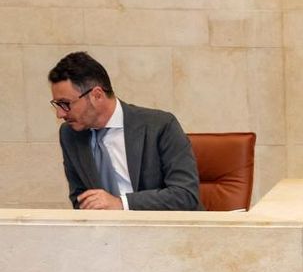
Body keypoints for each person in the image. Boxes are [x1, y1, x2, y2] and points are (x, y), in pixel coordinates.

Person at [48, 52, 201, 211]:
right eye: (57, 105)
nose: (60, 114)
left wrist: (122, 204)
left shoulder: (160, 126)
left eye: (65, 104)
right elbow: (80, 197)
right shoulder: (70, 134)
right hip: (106, 226)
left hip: (164, 224)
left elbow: (185, 195)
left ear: (97, 95)